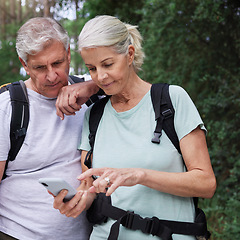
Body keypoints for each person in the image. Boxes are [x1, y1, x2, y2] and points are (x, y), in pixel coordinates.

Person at [53, 15, 217, 240]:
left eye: (108, 64)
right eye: (92, 68)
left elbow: (206, 184)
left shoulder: (171, 100)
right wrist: (78, 200)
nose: (100, 76)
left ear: (129, 54)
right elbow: (90, 186)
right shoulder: (94, 115)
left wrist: (140, 175)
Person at [0, 17, 99, 240]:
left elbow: (132, 83)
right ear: (24, 64)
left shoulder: (93, 92)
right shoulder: (7, 107)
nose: (51, 75)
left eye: (57, 63)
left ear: (68, 54)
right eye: (39, 67)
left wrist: (92, 86)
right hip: (16, 234)